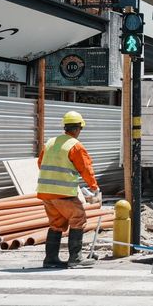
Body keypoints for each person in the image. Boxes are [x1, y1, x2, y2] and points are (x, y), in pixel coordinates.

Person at [37, 111, 100, 269]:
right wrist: (94, 187)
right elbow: (85, 168)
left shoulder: (50, 142)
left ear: (65, 127)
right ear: (78, 129)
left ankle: (50, 259)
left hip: (46, 192)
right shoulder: (75, 146)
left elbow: (40, 163)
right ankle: (75, 259)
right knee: (78, 219)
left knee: (56, 224)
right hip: (63, 193)